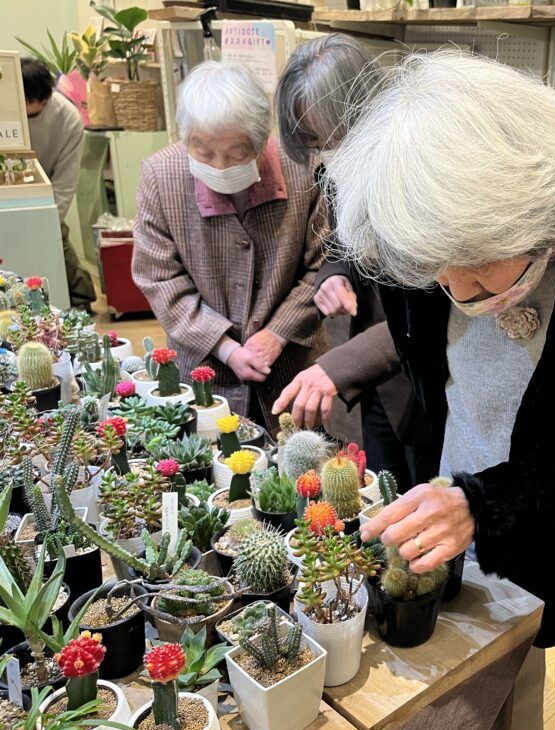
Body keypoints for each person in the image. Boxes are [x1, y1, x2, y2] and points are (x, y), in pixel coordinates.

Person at [327, 51, 555, 730]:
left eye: (477, 258)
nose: (456, 289)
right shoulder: (418, 246)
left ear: (536, 209)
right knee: (491, 703)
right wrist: (470, 501)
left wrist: (493, 502)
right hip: (467, 511)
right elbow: (435, 380)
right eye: (436, 267)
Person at [272, 34, 437, 491]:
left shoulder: (423, 173)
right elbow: (343, 241)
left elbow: (439, 305)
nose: (325, 152)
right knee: (380, 498)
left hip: (427, 380)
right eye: (314, 141)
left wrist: (342, 365)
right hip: (377, 382)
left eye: (332, 137)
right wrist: (335, 273)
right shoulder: (345, 164)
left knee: (427, 509)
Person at [132, 62, 325, 429]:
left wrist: (278, 332)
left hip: (291, 368)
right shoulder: (161, 176)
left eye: (237, 153)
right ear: (185, 137)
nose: (219, 166)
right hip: (204, 371)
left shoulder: (301, 166)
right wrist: (224, 346)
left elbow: (324, 264)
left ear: (261, 139)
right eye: (203, 152)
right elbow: (159, 277)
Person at [21, 57, 96, 309]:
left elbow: (65, 180)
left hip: (48, 190)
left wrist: (50, 219)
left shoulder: (68, 119)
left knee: (57, 237)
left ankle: (81, 299)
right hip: (12, 192)